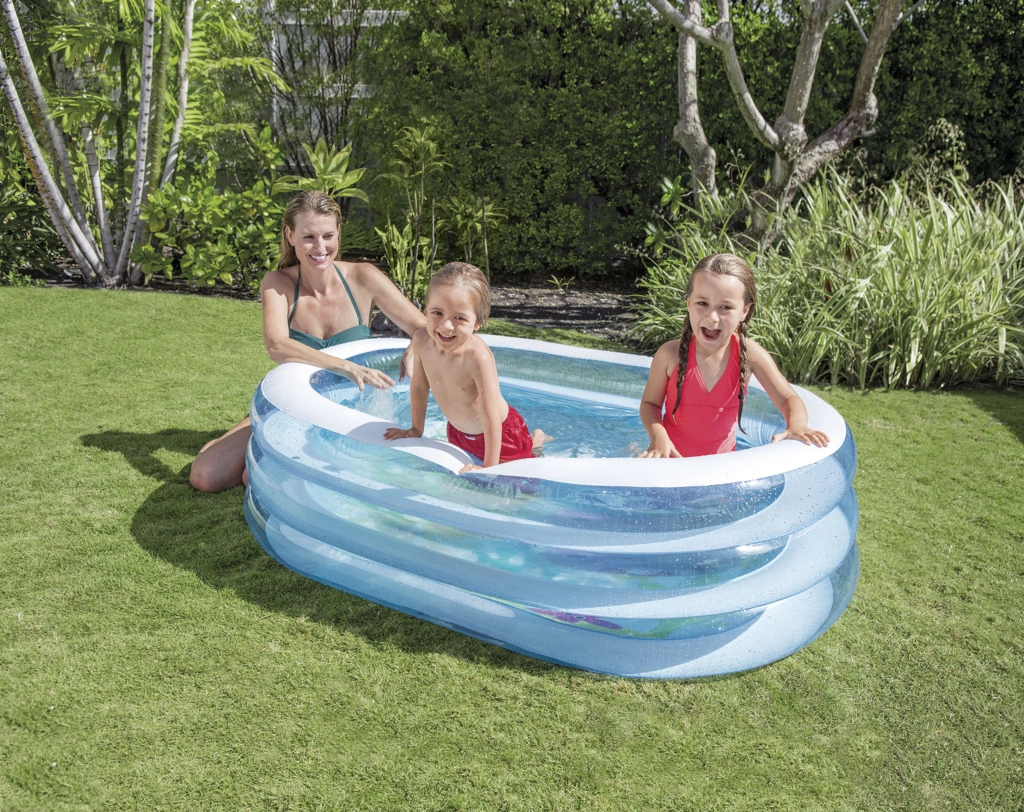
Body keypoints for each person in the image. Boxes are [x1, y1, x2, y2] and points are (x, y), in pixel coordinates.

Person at [189, 190, 426, 492]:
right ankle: (225, 440)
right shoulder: (278, 283)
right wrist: (344, 366)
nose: (320, 247)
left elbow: (423, 327)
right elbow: (277, 345)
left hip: (352, 404)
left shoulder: (363, 277)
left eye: (328, 236)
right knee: (206, 476)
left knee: (261, 477)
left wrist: (414, 348)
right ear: (290, 235)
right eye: (309, 237)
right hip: (295, 402)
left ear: (338, 231)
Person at [639, 252, 829, 458]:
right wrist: (658, 436)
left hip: (723, 467)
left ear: (744, 311)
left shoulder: (750, 355)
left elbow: (788, 399)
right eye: (702, 303)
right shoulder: (670, 354)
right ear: (688, 303)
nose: (712, 317)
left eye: (725, 307)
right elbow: (650, 404)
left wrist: (797, 425)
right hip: (670, 462)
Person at [383, 262, 549, 472]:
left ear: (477, 322)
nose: (446, 326)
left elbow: (490, 413)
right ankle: (535, 439)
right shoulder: (422, 341)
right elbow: (419, 387)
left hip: (502, 436)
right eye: (437, 313)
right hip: (458, 433)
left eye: (459, 318)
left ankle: (537, 440)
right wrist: (416, 429)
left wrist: (488, 467)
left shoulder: (477, 356)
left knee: (524, 476)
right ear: (426, 309)